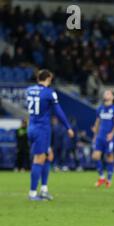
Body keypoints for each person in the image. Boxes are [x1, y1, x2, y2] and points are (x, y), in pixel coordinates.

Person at [26, 69, 74, 200]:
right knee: (39, 159)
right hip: (42, 129)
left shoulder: (29, 90)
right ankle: (32, 193)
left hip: (32, 127)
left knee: (48, 156)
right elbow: (59, 112)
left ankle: (44, 189)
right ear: (48, 78)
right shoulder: (49, 93)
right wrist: (68, 127)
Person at [91, 90, 114, 188]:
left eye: (108, 93)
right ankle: (101, 177)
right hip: (100, 136)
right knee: (95, 156)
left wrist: (112, 134)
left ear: (113, 97)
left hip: (110, 137)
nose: (106, 94)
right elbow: (97, 122)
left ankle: (109, 179)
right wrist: (95, 135)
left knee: (109, 157)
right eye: (105, 93)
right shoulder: (100, 108)